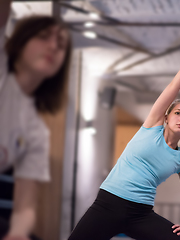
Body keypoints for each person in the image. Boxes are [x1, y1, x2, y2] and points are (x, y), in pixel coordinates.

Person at [68, 36, 180, 240]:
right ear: (167, 116)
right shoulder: (152, 126)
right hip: (108, 204)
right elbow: (174, 86)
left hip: (140, 214)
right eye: (178, 113)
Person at [0, 1, 72, 240]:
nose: (53, 46)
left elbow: (25, 204)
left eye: (61, 45)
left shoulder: (36, 131)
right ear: (20, 42)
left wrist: (18, 233)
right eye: (43, 37)